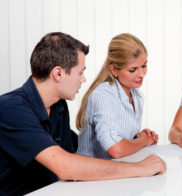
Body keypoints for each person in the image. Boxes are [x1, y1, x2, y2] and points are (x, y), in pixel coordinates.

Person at [0, 32, 166, 196]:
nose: (84, 79)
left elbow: (71, 156)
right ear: (58, 73)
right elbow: (65, 166)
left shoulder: (58, 106)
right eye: (80, 72)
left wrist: (134, 141)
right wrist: (140, 168)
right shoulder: (11, 109)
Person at [76, 33, 158, 160]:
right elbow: (116, 149)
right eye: (133, 70)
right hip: (93, 175)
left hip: (117, 171)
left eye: (144, 66)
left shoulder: (136, 95)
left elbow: (118, 136)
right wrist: (143, 141)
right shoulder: (103, 95)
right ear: (114, 70)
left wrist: (137, 137)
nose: (141, 74)